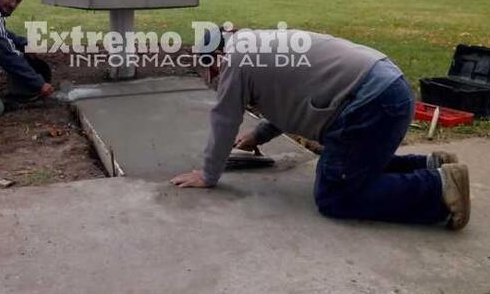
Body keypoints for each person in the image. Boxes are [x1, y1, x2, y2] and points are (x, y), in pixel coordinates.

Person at [171, 29, 471, 230]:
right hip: (387, 90)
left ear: (219, 54)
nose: (216, 76)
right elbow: (293, 96)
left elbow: (224, 118)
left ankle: (437, 190)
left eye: (212, 69)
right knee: (350, 166)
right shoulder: (263, 42)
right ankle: (431, 166)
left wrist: (208, 175)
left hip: (369, 104)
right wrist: (257, 136)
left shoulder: (236, 59)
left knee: (336, 195)